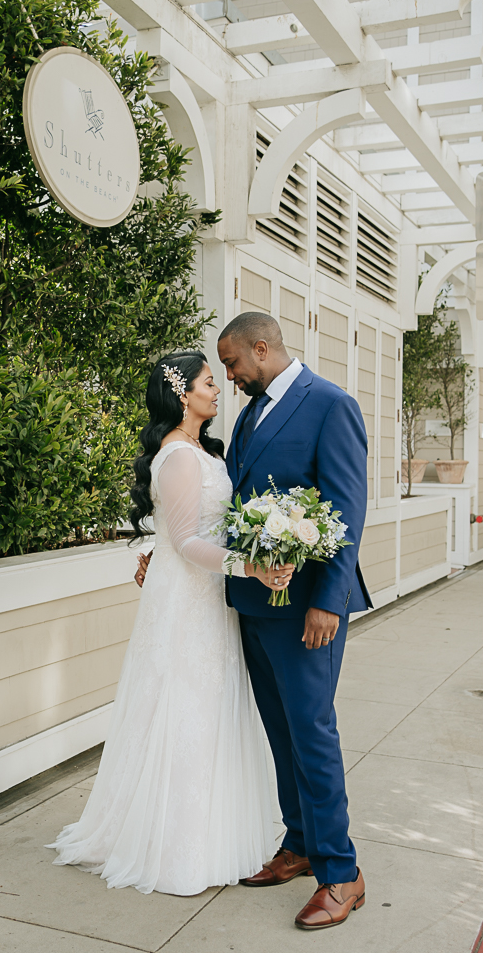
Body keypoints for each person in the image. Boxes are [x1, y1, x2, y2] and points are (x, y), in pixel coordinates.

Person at [137, 313, 371, 930]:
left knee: (313, 734)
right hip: (251, 606)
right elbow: (223, 507)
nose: (230, 378)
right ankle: (298, 843)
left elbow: (347, 509)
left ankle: (342, 874)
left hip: (307, 611)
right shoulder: (249, 415)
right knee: (281, 733)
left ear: (260, 349)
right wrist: (157, 548)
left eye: (232, 365)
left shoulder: (331, 405)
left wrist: (328, 600)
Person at [47, 350, 281, 896]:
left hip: (207, 597)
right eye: (207, 382)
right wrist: (247, 566)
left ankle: (207, 832)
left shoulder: (202, 450)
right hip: (187, 603)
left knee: (207, 711)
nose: (217, 388)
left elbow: (182, 534)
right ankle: (175, 847)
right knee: (185, 713)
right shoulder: (178, 457)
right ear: (183, 396)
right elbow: (187, 541)